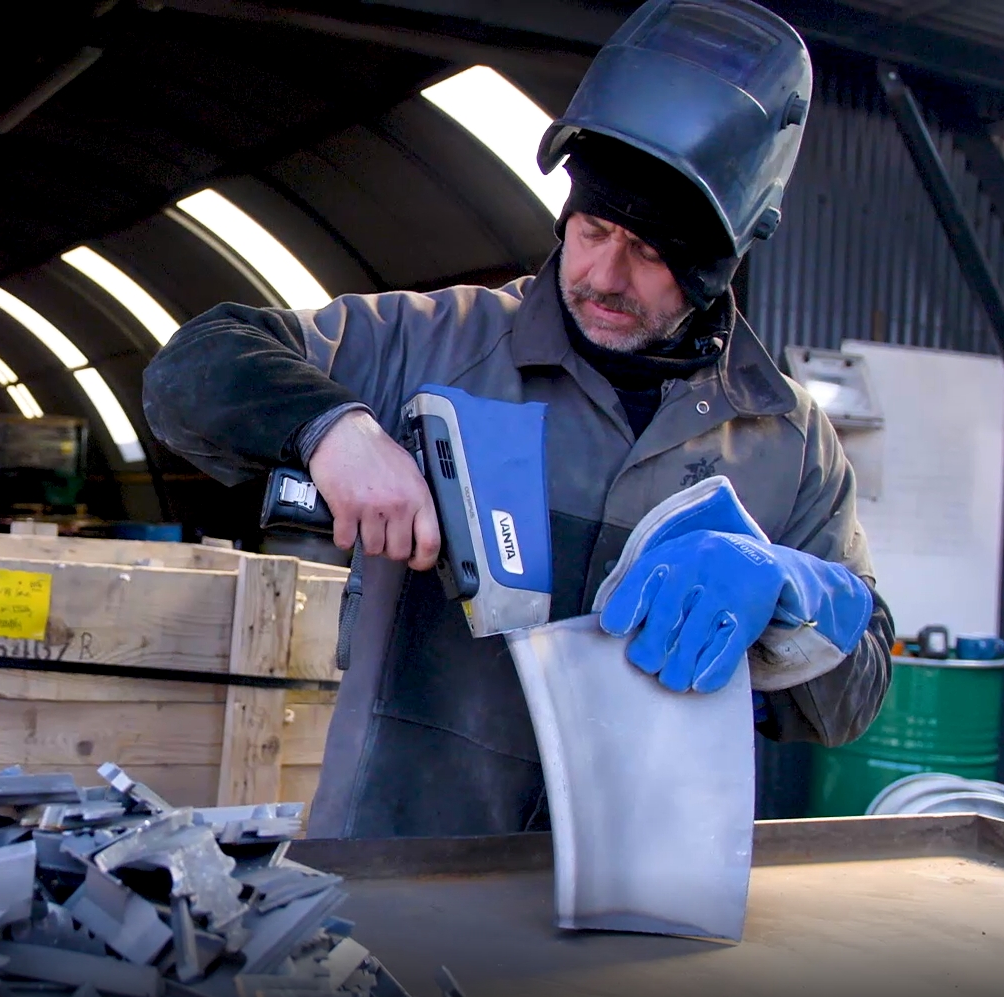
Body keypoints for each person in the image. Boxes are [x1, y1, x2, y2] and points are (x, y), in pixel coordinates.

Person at [143, 0, 894, 839]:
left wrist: (791, 594)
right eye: (592, 228)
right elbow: (194, 367)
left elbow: (854, 698)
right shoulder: (433, 344)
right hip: (399, 874)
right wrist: (331, 429)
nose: (604, 274)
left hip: (640, 891)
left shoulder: (789, 444)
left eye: (650, 253)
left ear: (719, 264)